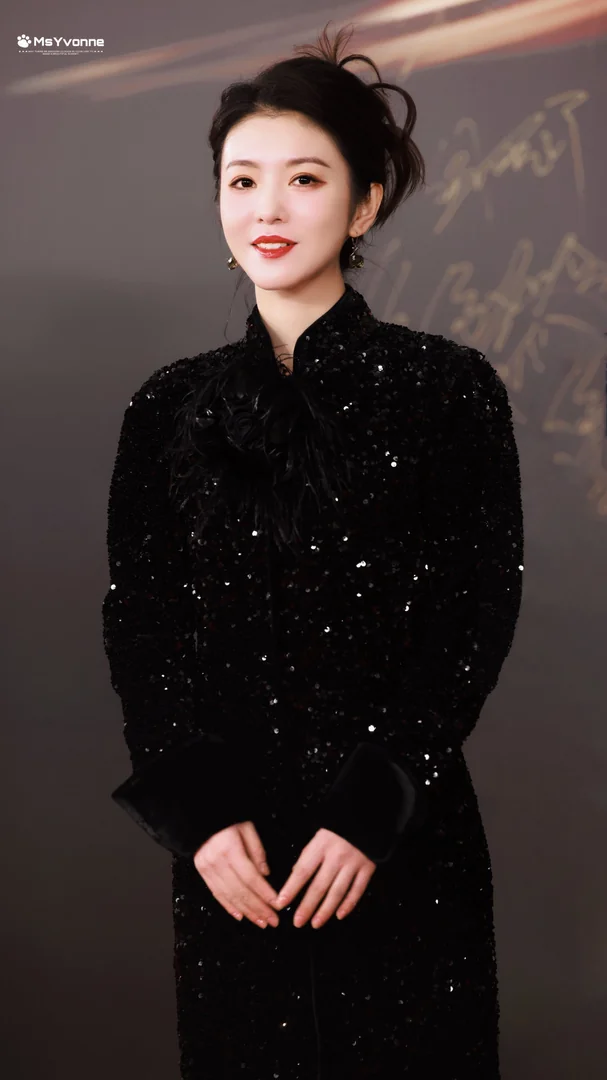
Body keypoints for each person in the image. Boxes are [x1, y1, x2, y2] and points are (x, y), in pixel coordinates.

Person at [101, 22, 524, 1080]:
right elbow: (142, 623)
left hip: (399, 838)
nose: (267, 210)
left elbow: (473, 613)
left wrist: (376, 805)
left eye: (303, 179)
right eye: (242, 181)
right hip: (234, 859)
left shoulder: (447, 388)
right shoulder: (168, 407)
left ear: (363, 204)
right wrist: (199, 818)